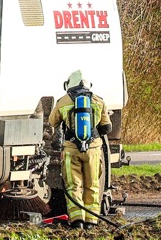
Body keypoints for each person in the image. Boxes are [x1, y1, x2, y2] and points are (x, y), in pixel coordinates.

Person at [47, 70, 112, 229]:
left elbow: (52, 122)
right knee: (92, 184)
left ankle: (77, 221)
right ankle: (92, 221)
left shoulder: (63, 101)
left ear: (68, 85)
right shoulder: (98, 101)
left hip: (71, 149)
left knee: (73, 185)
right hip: (93, 150)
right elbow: (107, 127)